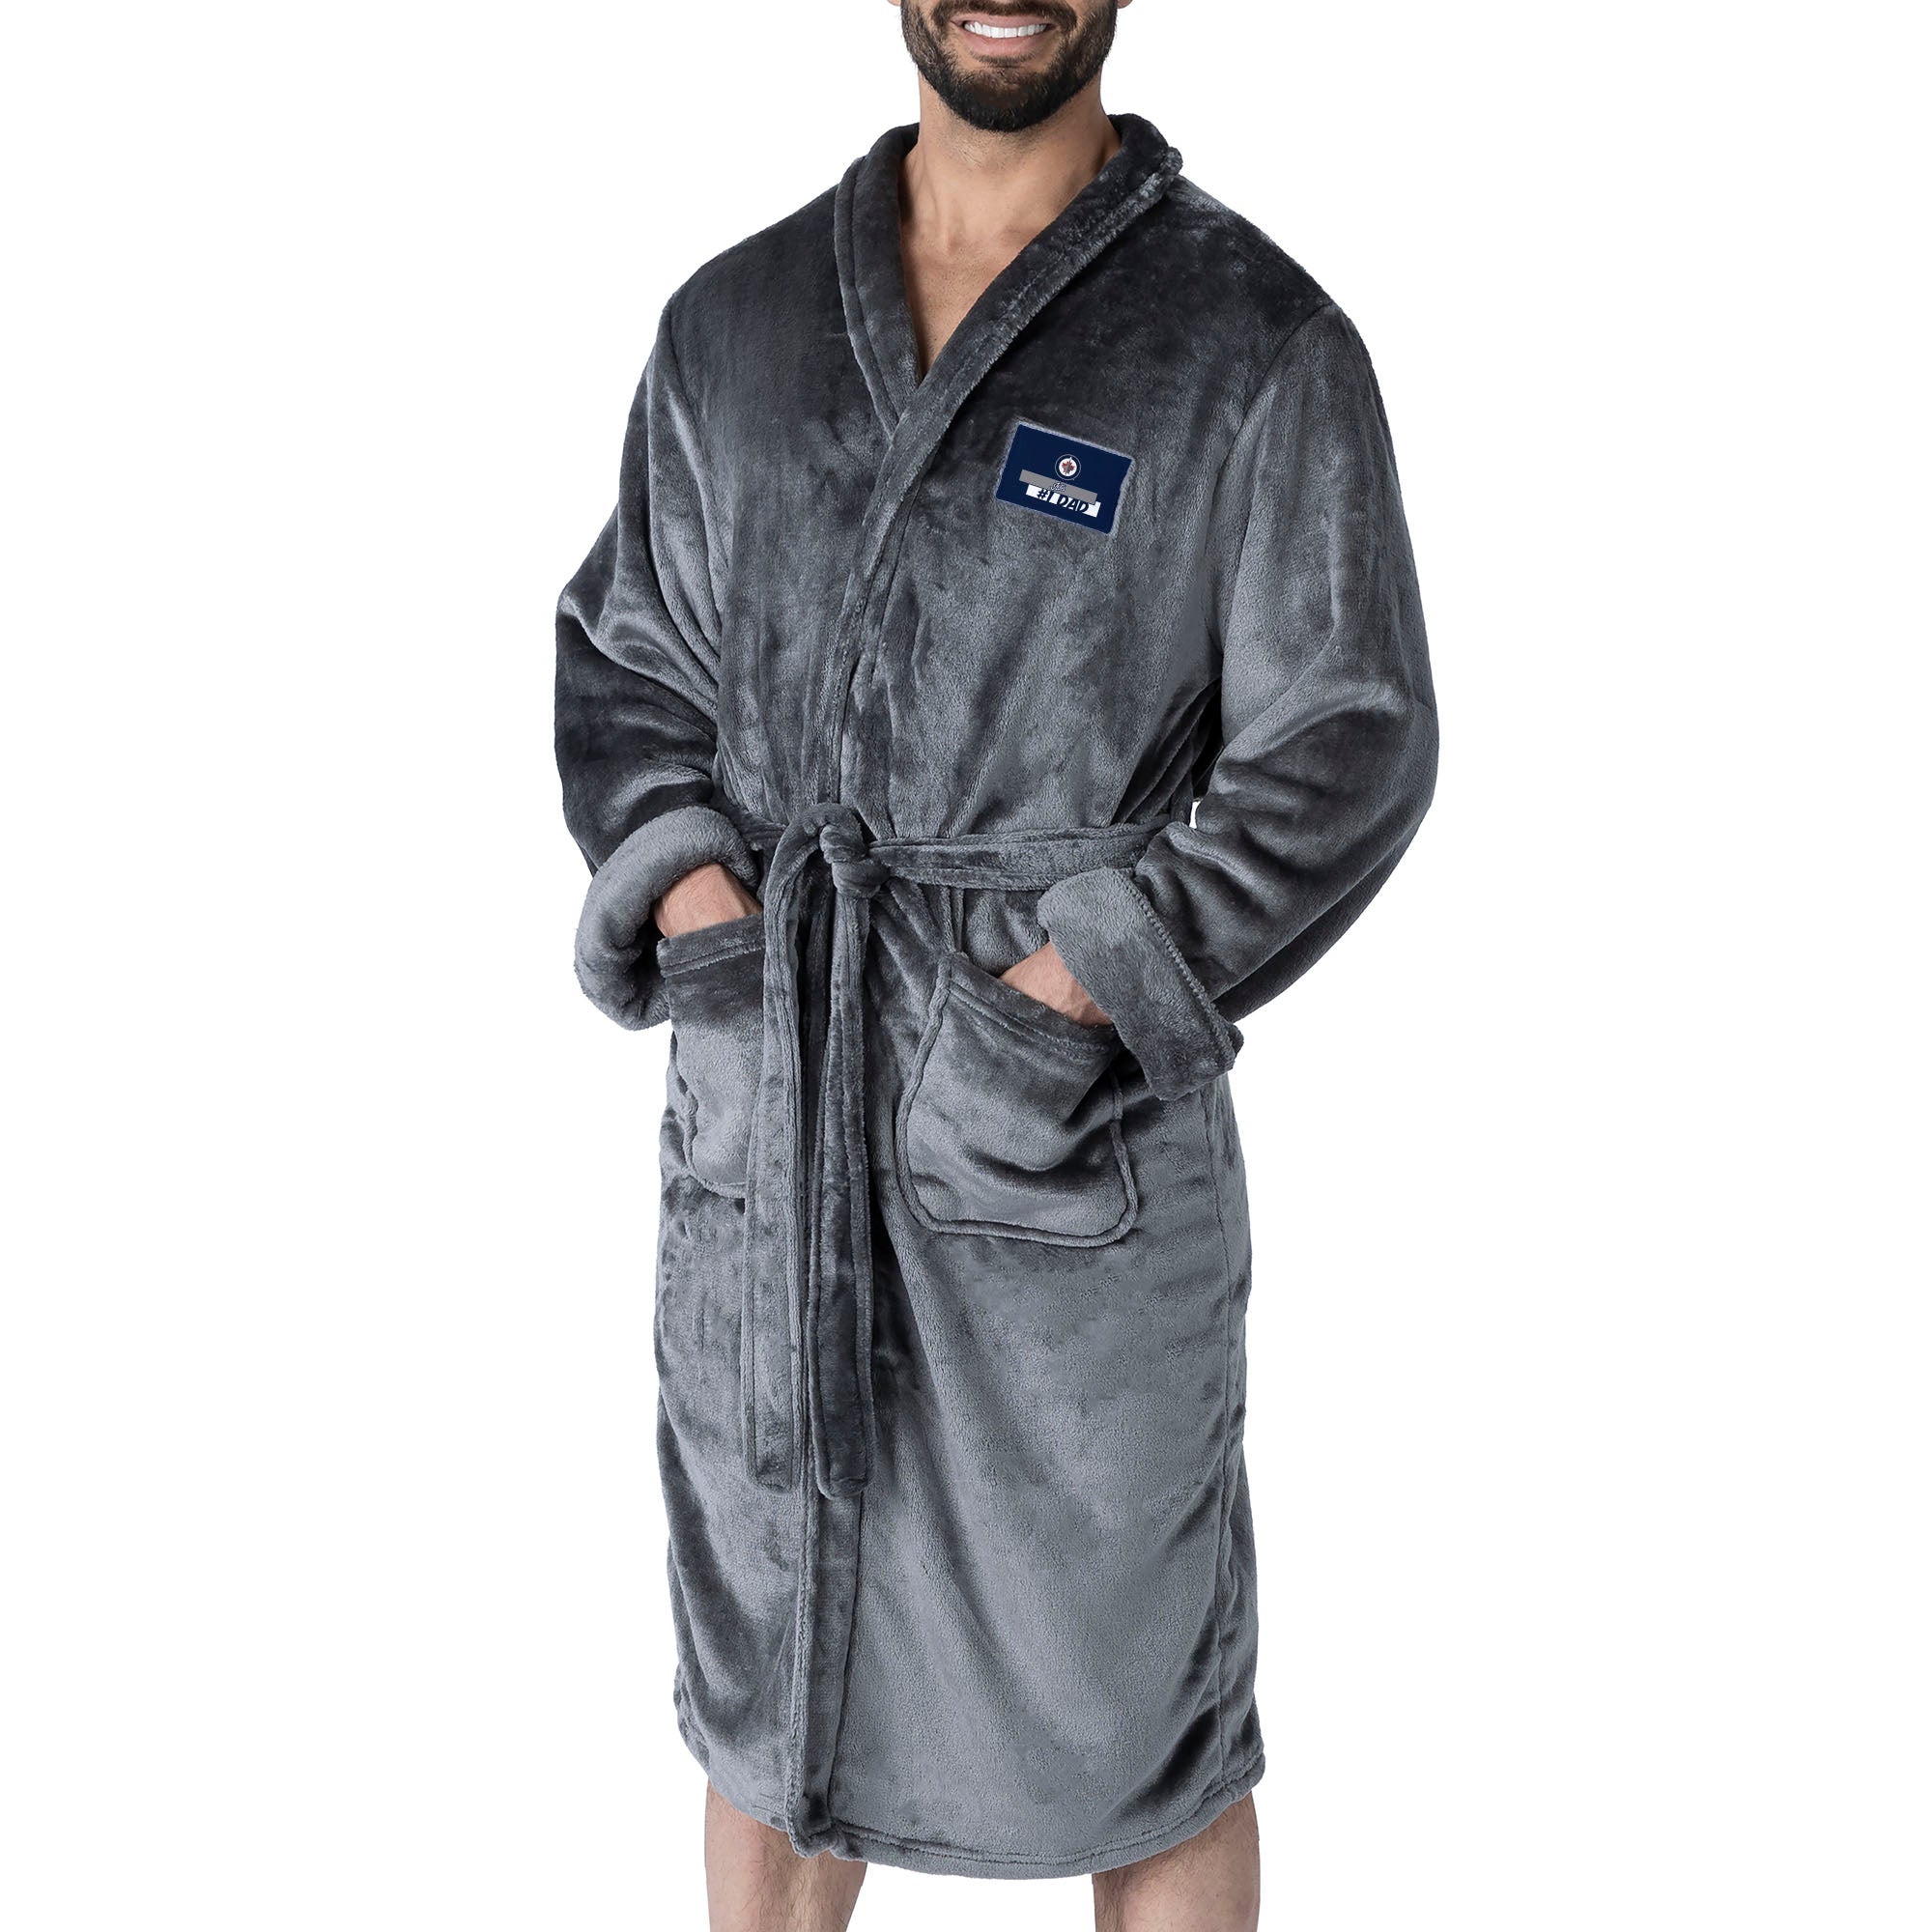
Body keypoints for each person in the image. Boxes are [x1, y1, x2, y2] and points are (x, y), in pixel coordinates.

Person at [554, 3, 1437, 1924]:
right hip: (774, 1135)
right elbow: (628, 668)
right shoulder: (735, 324)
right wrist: (713, 935)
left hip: (1062, 1158)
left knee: (1146, 1726)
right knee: (778, 1707)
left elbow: (1347, 738)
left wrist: (1071, 997)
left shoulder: (1248, 341)